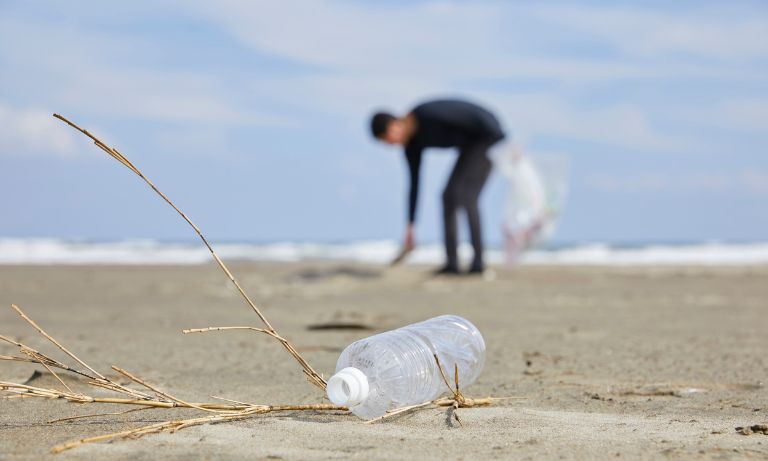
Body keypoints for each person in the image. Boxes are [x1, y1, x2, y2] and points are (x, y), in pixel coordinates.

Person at [370, 98, 505, 274]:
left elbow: (471, 114)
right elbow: (414, 183)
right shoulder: (412, 146)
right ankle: (452, 264)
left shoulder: (427, 115)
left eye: (387, 139)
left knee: (466, 196)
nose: (391, 145)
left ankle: (478, 264)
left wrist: (502, 141)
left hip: (487, 136)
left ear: (394, 125)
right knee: (448, 197)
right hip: (469, 146)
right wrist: (411, 225)